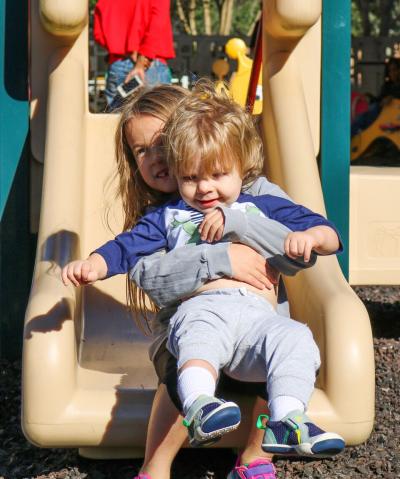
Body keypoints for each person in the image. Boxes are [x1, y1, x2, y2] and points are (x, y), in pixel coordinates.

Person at [62, 84, 345, 478]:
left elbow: (299, 251)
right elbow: (144, 271)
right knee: (185, 360)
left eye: (162, 143)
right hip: (195, 325)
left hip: (256, 324)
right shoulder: (163, 217)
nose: (156, 157)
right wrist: (222, 258)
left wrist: (249, 226)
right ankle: (157, 464)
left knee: (289, 344)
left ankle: (261, 452)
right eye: (141, 151)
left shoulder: (256, 195)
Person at [93, 0, 175, 106]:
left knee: (118, 114)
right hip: (150, 63)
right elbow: (158, 23)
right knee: (157, 112)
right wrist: (141, 60)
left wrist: (120, 46)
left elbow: (98, 35)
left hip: (118, 64)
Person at [351, 57, 400, 137]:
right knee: (369, 111)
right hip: (382, 114)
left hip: (393, 116)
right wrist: (369, 97)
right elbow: (379, 99)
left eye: (395, 70)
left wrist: (392, 98)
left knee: (373, 109)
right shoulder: (387, 86)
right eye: (390, 71)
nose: (392, 73)